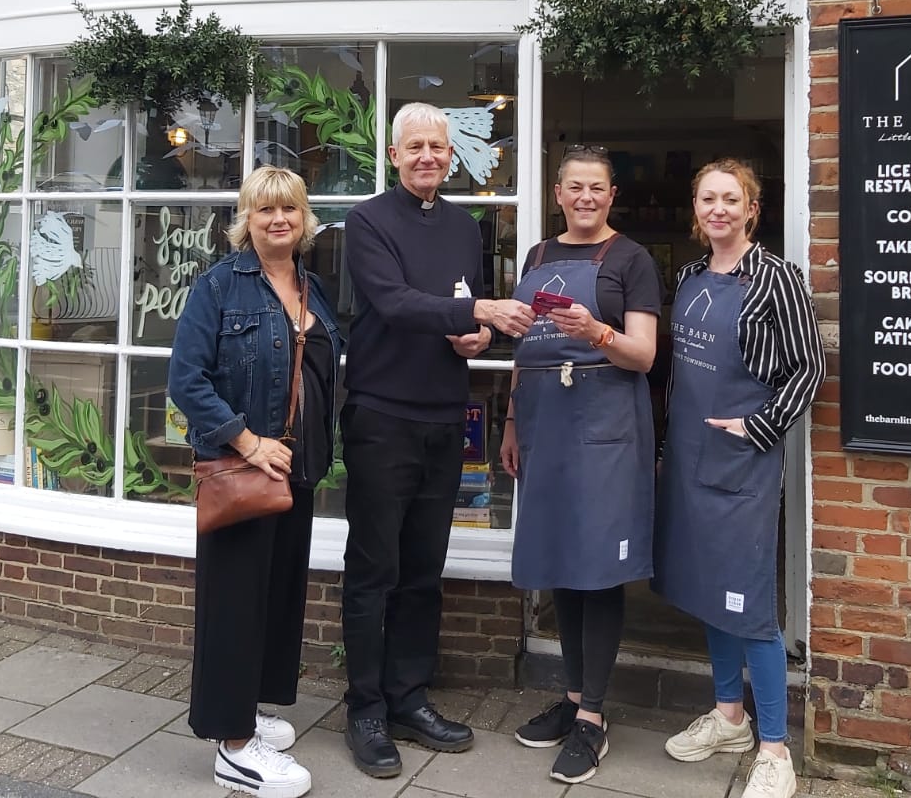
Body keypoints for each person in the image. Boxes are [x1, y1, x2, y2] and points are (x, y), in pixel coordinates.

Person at [340, 102, 536, 778]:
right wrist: (480, 310)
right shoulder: (366, 221)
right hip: (381, 417)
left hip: (444, 414)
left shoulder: (463, 224)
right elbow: (393, 304)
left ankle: (408, 697)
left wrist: (476, 334)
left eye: (438, 147)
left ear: (452, 156)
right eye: (415, 146)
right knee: (374, 569)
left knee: (423, 570)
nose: (428, 156)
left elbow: (460, 302)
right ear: (394, 156)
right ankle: (364, 708)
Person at [168, 167, 345, 798]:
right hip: (245, 470)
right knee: (235, 604)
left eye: (290, 210)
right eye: (265, 210)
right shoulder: (219, 286)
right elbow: (187, 381)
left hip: (294, 472)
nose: (279, 220)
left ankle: (253, 709)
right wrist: (246, 439)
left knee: (275, 598)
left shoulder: (312, 287)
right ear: (246, 219)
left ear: (304, 220)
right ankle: (233, 747)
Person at [654, 159, 824, 798]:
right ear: (696, 209)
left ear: (751, 208)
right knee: (707, 589)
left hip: (743, 462)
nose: (718, 209)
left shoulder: (777, 278)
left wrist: (756, 429)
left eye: (731, 199)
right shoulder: (691, 277)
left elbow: (808, 369)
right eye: (707, 199)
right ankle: (729, 716)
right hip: (690, 457)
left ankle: (776, 750)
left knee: (749, 604)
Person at [500, 145, 662, 785]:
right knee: (561, 566)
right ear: (559, 193)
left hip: (604, 432)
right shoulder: (537, 257)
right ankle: (571, 702)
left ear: (611, 194)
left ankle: (593, 718)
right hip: (545, 426)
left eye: (597, 188)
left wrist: (596, 333)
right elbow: (525, 350)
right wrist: (513, 422)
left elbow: (644, 355)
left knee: (598, 571)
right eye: (575, 187)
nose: (586, 198)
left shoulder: (632, 260)